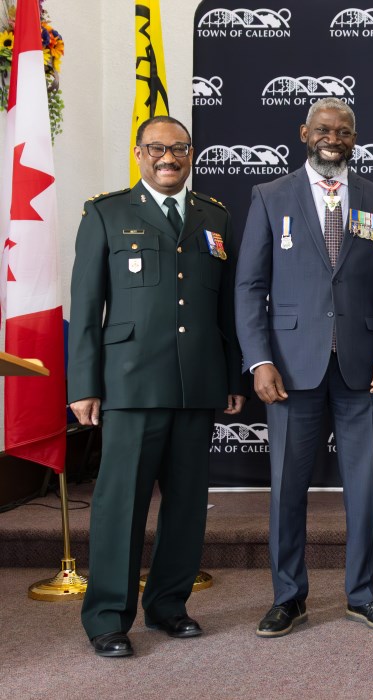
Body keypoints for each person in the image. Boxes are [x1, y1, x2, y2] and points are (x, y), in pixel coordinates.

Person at [67, 116, 245, 657]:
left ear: (191, 154)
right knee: (121, 505)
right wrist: (84, 385)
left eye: (179, 149)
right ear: (139, 153)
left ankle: (168, 606)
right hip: (129, 385)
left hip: (197, 383)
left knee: (188, 505)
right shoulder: (106, 212)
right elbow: (86, 305)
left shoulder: (213, 215)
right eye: (157, 149)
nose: (168, 158)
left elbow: (226, 307)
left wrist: (231, 376)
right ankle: (107, 620)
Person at [235, 97, 373, 637]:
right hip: (289, 366)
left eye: (345, 131)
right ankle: (289, 596)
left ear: (355, 137)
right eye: (325, 129)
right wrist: (259, 360)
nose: (334, 137)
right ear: (304, 132)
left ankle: (364, 595)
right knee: (286, 488)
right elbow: (251, 286)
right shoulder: (270, 195)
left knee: (365, 487)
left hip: (361, 366)